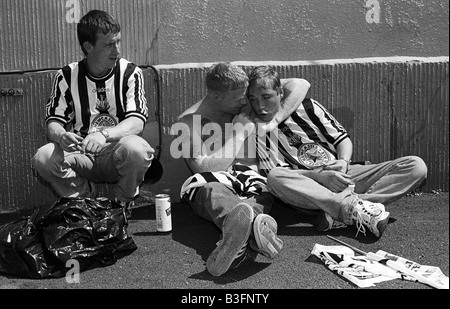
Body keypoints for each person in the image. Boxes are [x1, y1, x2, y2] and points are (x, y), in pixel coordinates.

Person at [246, 66, 428, 238]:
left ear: (281, 93)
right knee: (275, 177)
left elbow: (342, 139)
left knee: (415, 166)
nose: (260, 105)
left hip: (344, 175)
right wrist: (319, 177)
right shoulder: (259, 130)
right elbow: (280, 174)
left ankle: (339, 210)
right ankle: (351, 208)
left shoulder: (308, 107)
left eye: (266, 97)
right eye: (253, 99)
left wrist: (343, 161)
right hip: (311, 190)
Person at [176, 62, 310, 276]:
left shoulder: (241, 99)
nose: (246, 100)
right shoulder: (187, 123)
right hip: (214, 185)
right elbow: (202, 168)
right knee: (213, 191)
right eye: (239, 97)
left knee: (262, 194)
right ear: (216, 96)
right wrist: (238, 133)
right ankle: (253, 233)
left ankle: (239, 240)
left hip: (252, 183)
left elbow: (300, 84)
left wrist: (275, 119)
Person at [32, 10, 154, 219]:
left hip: (116, 152)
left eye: (118, 42)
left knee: (137, 149)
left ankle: (122, 204)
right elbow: (53, 122)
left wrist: (104, 135)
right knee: (43, 157)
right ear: (88, 47)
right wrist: (62, 136)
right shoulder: (67, 75)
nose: (117, 50)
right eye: (109, 44)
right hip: (83, 152)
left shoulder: (130, 72)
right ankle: (86, 202)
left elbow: (136, 122)